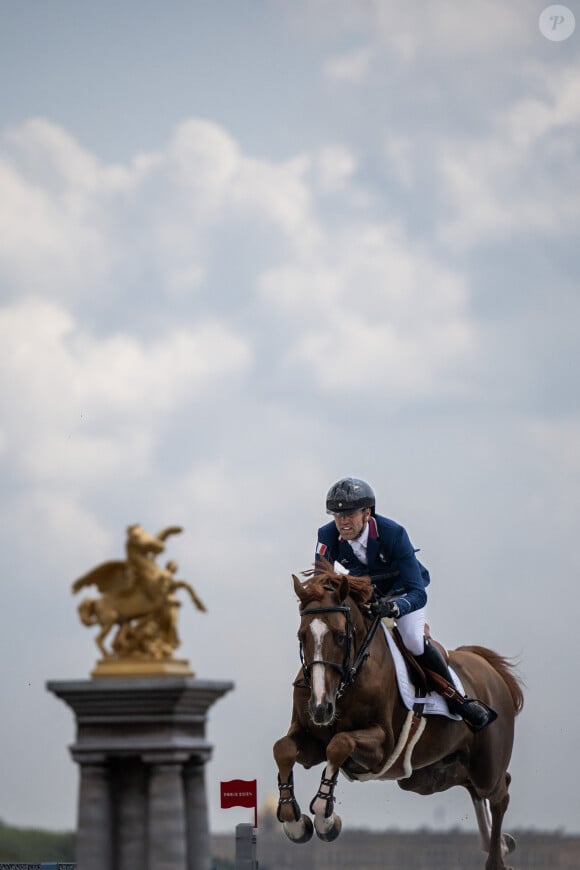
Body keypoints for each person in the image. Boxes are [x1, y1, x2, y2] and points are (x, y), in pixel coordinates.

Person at [316, 477, 496, 731]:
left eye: (350, 514)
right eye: (337, 515)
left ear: (367, 513)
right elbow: (319, 579)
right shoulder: (327, 535)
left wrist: (395, 608)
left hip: (404, 593)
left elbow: (418, 592)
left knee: (411, 638)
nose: (343, 521)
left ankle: (457, 699)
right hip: (369, 595)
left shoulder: (394, 534)